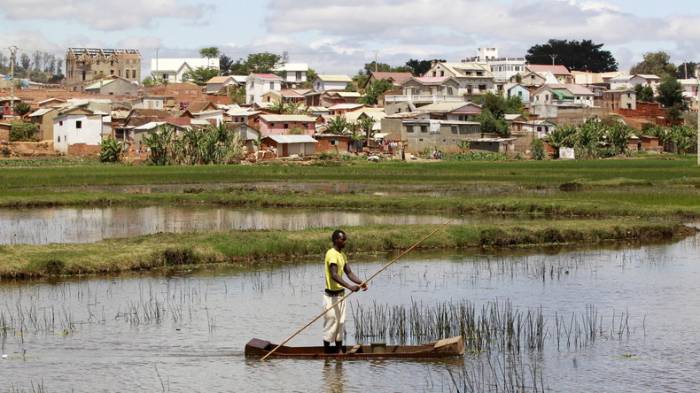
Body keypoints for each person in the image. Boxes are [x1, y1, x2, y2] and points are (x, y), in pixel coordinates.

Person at [323, 229, 367, 354]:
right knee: (331, 324)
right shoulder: (331, 254)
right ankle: (326, 354)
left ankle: (339, 353)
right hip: (331, 297)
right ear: (336, 240)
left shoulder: (342, 255)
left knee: (340, 324)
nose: (345, 242)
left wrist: (360, 283)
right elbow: (334, 275)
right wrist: (350, 287)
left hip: (341, 296)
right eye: (343, 239)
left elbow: (349, 272)